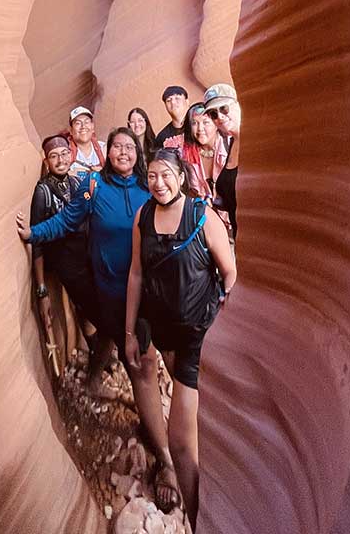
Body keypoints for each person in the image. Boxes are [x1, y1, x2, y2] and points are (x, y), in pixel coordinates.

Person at [124, 148, 236, 526]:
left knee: (181, 445)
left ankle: (199, 520)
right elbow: (137, 273)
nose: (159, 183)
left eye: (166, 175)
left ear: (181, 175)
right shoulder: (144, 216)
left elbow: (230, 272)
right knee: (194, 420)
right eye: (153, 175)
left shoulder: (201, 216)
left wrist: (221, 313)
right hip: (165, 332)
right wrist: (129, 332)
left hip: (198, 337)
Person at [16, 127, 150, 400]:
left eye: (129, 147)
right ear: (107, 151)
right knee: (118, 334)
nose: (123, 152)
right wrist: (33, 234)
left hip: (137, 282)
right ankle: (136, 398)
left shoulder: (147, 187)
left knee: (116, 331)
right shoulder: (91, 185)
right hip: (101, 278)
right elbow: (64, 221)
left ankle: (102, 374)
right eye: (117, 146)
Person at [29, 134, 99, 370]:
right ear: (46, 160)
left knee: (87, 312)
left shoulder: (76, 184)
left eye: (63, 154)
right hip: (64, 263)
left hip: (84, 259)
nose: (59, 160)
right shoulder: (43, 192)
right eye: (53, 156)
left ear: (71, 155)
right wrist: (41, 290)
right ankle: (91, 361)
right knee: (82, 311)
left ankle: (98, 356)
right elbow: (36, 241)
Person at [182, 102, 235, 238]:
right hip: (206, 227)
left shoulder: (230, 146)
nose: (200, 129)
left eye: (206, 122)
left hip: (233, 223)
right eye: (194, 123)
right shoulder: (187, 155)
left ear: (216, 124)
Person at [202, 83, 241, 236]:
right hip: (241, 238)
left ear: (237, 105)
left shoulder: (255, 142)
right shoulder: (231, 143)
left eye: (224, 108)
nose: (220, 117)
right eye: (213, 114)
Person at [66, 106, 105, 179]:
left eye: (86, 122)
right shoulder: (65, 152)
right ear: (71, 130)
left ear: (93, 127)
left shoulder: (103, 149)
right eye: (78, 123)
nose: (83, 126)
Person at [155, 85, 188, 152]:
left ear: (187, 101)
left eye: (177, 98)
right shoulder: (162, 137)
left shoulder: (198, 125)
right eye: (169, 100)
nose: (173, 102)